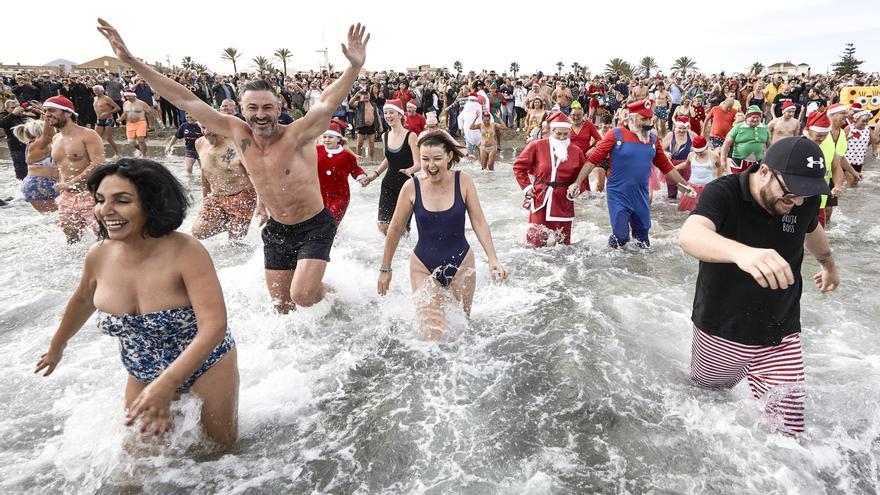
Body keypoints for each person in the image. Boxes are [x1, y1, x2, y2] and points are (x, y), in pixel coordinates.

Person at [99, 18, 370, 313]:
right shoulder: (236, 132)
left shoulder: (298, 135)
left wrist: (353, 67)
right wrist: (130, 60)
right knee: (281, 305)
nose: (261, 114)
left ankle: (335, 295)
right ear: (242, 109)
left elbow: (327, 102)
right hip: (278, 228)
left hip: (314, 225)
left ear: (279, 108)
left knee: (303, 295)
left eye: (268, 107)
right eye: (253, 108)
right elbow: (183, 97)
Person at [35, 159, 239, 445]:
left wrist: (168, 384)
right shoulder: (98, 255)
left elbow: (214, 325)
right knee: (134, 470)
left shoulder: (186, 251)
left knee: (220, 451)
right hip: (142, 370)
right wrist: (57, 346)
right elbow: (83, 300)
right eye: (100, 199)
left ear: (151, 203)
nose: (106, 210)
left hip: (206, 364)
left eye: (122, 200)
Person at [678, 136, 839, 437]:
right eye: (790, 194)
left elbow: (811, 228)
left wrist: (828, 264)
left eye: (806, 195)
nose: (799, 202)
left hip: (782, 330)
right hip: (721, 330)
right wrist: (743, 253)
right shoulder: (723, 193)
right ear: (764, 171)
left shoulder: (802, 199)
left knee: (788, 433)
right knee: (706, 403)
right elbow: (690, 235)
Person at [377, 130, 508, 339]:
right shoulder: (411, 187)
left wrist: (493, 258)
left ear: (449, 156)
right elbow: (394, 229)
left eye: (437, 159)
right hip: (423, 265)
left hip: (461, 263)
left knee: (460, 331)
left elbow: (479, 221)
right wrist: (385, 268)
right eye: (425, 159)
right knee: (431, 336)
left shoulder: (463, 181)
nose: (431, 165)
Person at [568, 99, 695, 248]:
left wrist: (686, 186)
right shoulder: (615, 134)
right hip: (618, 194)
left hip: (641, 195)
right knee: (621, 237)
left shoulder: (652, 139)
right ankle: (612, 267)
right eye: (644, 119)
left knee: (643, 240)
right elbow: (593, 159)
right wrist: (577, 182)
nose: (648, 122)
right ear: (631, 118)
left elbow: (666, 167)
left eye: (649, 118)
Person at [513, 112, 587, 247]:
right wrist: (528, 188)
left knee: (563, 246)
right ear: (552, 130)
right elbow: (518, 167)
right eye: (559, 134)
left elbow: (582, 179)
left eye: (566, 134)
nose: (562, 137)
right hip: (540, 198)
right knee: (535, 243)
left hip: (563, 202)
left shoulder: (576, 151)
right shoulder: (537, 146)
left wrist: (576, 190)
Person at [45, 95, 105, 243]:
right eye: (45, 111)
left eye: (52, 110)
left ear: (68, 113)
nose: (47, 114)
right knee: (71, 240)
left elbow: (98, 163)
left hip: (90, 194)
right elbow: (61, 167)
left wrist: (71, 182)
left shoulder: (88, 134)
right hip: (67, 196)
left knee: (103, 236)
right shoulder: (56, 138)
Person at [191, 123, 256, 241]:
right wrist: (205, 200)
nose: (207, 132)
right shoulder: (199, 143)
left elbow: (254, 174)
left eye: (211, 128)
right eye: (203, 128)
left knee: (235, 241)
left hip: (242, 196)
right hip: (217, 196)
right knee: (198, 232)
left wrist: (263, 203)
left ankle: (234, 225)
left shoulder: (238, 144)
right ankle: (228, 224)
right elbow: (205, 172)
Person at [363, 98, 419, 234]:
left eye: (391, 113)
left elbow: (419, 163)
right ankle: (387, 254)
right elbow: (388, 159)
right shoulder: (385, 136)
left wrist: (409, 170)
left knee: (402, 229)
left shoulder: (411, 136)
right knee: (383, 226)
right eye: (386, 113)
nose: (388, 116)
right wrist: (374, 175)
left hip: (407, 185)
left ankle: (403, 255)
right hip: (388, 183)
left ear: (400, 114)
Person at [317, 118, 368, 224]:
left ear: (338, 139)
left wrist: (361, 177)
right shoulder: (318, 150)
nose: (326, 140)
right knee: (321, 223)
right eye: (325, 137)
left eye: (330, 137)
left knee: (331, 222)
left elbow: (355, 170)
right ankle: (333, 239)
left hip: (341, 196)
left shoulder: (347, 156)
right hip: (320, 195)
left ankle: (334, 238)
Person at [14, 117, 60, 213]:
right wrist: (48, 115)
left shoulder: (41, 145)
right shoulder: (36, 145)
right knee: (57, 218)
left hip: (39, 185)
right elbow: (48, 134)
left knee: (51, 219)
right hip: (40, 185)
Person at [675, 135, 722, 212]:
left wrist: (718, 179)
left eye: (701, 152)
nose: (699, 154)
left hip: (707, 187)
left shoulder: (714, 156)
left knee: (706, 210)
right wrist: (674, 168)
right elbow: (686, 165)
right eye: (697, 152)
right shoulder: (691, 155)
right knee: (688, 211)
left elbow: (719, 167)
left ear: (706, 148)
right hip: (692, 186)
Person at [719, 105, 770, 174]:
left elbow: (769, 146)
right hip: (739, 162)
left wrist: (770, 161)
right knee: (738, 183)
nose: (755, 119)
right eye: (753, 117)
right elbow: (726, 145)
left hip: (758, 163)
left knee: (754, 183)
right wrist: (723, 161)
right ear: (747, 118)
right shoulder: (738, 127)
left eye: (757, 117)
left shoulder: (765, 128)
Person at [1, 98, 40, 180]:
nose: (16, 109)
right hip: (16, 148)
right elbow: (2, 123)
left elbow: (36, 122)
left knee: (33, 169)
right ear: (7, 109)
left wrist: (37, 111)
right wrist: (13, 114)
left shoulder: (22, 115)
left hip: (28, 146)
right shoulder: (4, 115)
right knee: (20, 172)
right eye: (12, 108)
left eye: (17, 107)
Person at [661, 117, 697, 200]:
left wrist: (695, 152)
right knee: (672, 192)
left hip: (686, 164)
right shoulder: (670, 135)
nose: (681, 130)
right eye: (679, 128)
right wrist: (665, 153)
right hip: (672, 165)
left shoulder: (692, 135)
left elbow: (702, 147)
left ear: (687, 127)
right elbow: (660, 149)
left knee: (686, 189)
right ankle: (672, 208)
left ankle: (685, 206)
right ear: (675, 127)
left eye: (684, 128)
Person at [844, 106, 880, 186]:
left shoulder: (868, 129)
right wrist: (847, 138)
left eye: (867, 121)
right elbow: (839, 142)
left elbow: (876, 141)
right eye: (863, 121)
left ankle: (848, 197)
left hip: (859, 161)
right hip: (847, 160)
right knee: (850, 182)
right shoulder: (849, 128)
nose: (865, 123)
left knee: (855, 183)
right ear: (856, 120)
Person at [348, 88, 381, 161]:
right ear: (362, 97)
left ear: (369, 96)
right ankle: (358, 159)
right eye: (364, 96)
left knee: (372, 144)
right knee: (359, 144)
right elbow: (350, 103)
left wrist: (380, 125)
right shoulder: (359, 103)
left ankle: (372, 159)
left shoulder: (373, 104)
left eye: (367, 95)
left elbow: (377, 115)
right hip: (361, 125)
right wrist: (356, 96)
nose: (366, 97)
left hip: (371, 126)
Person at [118, 90, 152, 157]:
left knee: (141, 140)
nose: (128, 97)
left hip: (141, 122)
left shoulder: (141, 103)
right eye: (127, 96)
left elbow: (150, 112)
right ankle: (142, 151)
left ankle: (144, 155)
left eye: (130, 96)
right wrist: (120, 119)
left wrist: (152, 124)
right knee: (131, 142)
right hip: (130, 124)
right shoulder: (125, 103)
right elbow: (125, 113)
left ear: (134, 95)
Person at [92, 85, 121, 158]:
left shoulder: (106, 98)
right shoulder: (95, 98)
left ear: (101, 91)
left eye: (96, 90)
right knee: (96, 138)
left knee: (108, 138)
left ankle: (117, 153)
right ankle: (97, 154)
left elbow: (118, 108)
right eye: (94, 90)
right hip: (99, 120)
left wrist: (108, 113)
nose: (95, 92)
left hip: (108, 119)